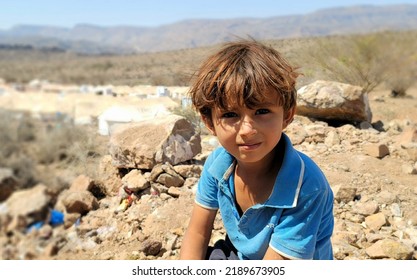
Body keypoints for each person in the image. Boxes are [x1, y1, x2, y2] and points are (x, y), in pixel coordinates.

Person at [179, 39, 334, 260]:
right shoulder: (217, 165)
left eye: (261, 111)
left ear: (287, 114)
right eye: (230, 115)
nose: (247, 130)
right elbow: (197, 232)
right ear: (209, 122)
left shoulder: (306, 186)